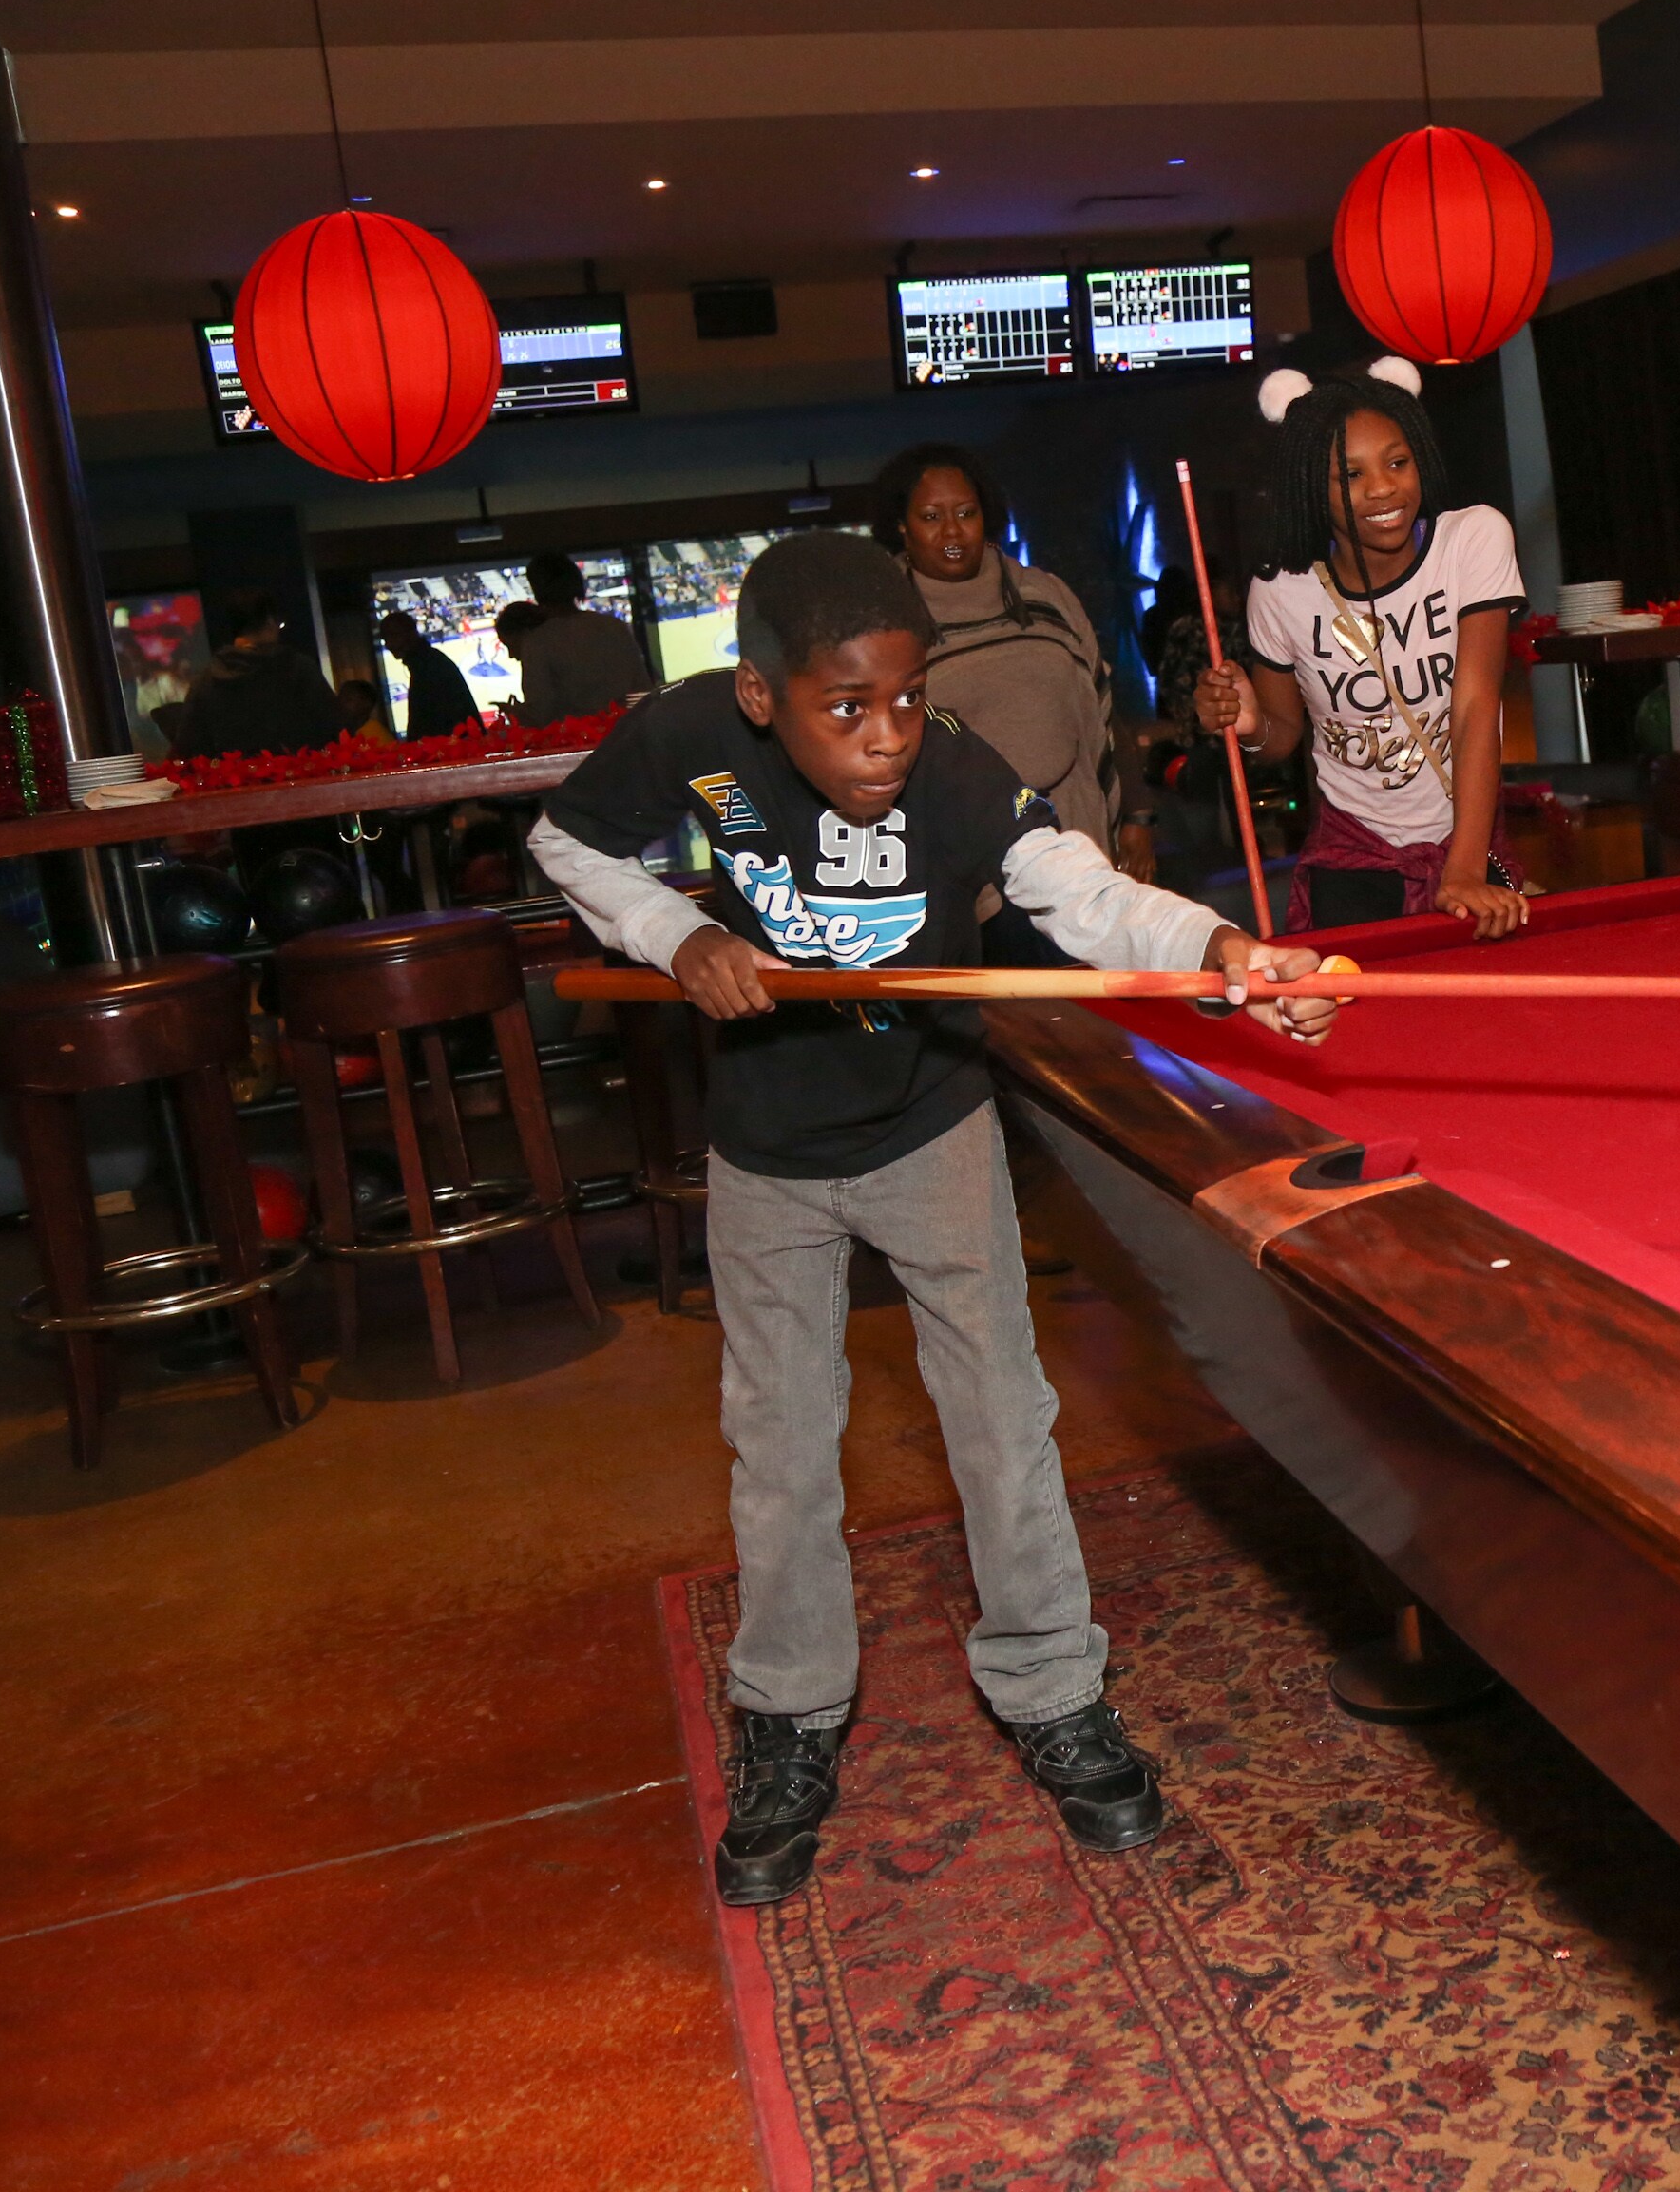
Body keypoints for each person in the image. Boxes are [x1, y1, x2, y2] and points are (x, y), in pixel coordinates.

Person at [523, 530, 1338, 1905]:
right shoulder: (690, 739)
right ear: (760, 694)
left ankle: (1053, 1691)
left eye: (907, 696)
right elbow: (564, 839)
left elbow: (1079, 895)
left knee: (1002, 1419)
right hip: (767, 1149)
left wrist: (1223, 955)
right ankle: (788, 1717)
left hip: (932, 1121)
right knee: (778, 1443)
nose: (888, 735)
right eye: (849, 707)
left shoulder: (953, 765)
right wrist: (683, 938)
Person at [1193, 359, 1531, 935]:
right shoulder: (1280, 592)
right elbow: (1282, 738)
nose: (1382, 488)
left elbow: (1476, 707)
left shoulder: (1472, 539)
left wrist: (1465, 869)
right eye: (1349, 475)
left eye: (1397, 462)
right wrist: (1249, 726)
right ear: (1311, 486)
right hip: (1353, 855)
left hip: (1467, 837)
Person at [872, 443, 1156, 897]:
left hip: (1080, 843)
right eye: (931, 517)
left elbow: (1103, 710)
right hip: (967, 868)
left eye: (966, 513)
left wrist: (1137, 818)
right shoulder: (885, 620)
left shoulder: (1045, 595)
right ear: (902, 528)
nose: (952, 531)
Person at [171, 588, 344, 762]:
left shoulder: (205, 680)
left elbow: (187, 747)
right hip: (299, 779)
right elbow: (337, 728)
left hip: (233, 783)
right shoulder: (297, 668)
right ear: (269, 621)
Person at [509, 553, 648, 725]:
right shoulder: (614, 626)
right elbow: (642, 688)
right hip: (627, 733)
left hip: (580, 743)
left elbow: (540, 712)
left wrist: (514, 713)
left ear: (537, 589)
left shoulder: (538, 642)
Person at [380, 609, 484, 739]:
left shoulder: (426, 666)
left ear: (412, 633)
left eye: (394, 636)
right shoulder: (429, 660)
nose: (389, 644)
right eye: (386, 638)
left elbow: (427, 725)